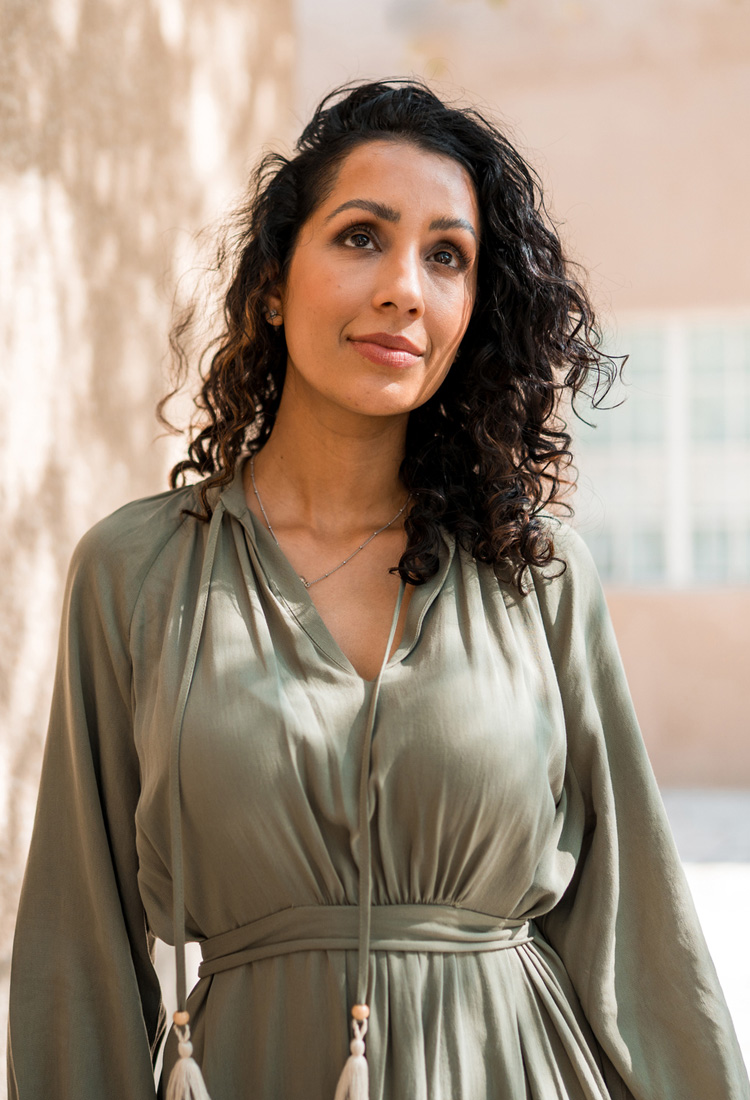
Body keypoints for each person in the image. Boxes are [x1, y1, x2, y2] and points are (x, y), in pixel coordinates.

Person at [7, 79, 749, 1100]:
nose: (406, 285)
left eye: (447, 255)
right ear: (273, 281)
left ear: (472, 309)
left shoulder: (536, 571)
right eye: (362, 236)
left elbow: (637, 928)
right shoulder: (135, 573)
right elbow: (76, 946)